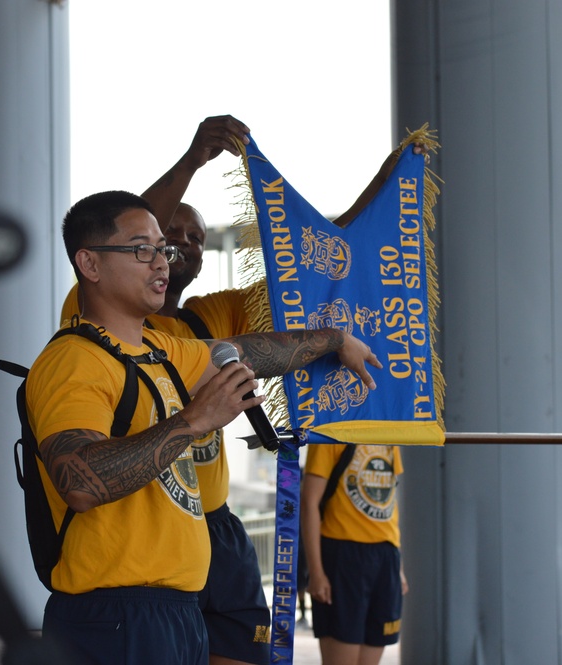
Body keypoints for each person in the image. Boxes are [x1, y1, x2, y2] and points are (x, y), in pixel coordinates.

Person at [30, 189, 382, 665]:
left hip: (177, 609)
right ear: (89, 265)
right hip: (115, 614)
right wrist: (195, 421)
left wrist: (334, 340)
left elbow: (249, 351)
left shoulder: (158, 350)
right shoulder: (74, 359)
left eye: (163, 249)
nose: (160, 262)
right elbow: (80, 482)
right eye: (141, 249)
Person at [300, 444, 406, 665]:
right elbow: (309, 501)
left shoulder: (390, 432)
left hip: (385, 555)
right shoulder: (331, 429)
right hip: (342, 553)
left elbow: (389, 502)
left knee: (374, 650)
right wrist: (316, 571)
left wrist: (399, 567)